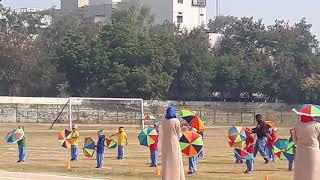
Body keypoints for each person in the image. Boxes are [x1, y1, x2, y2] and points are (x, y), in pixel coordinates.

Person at [161, 105, 185, 180]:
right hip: (174, 142)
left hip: (165, 142)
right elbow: (178, 133)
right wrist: (183, 130)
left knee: (166, 161)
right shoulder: (176, 121)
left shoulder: (163, 121)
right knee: (175, 160)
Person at [293, 115, 320, 180]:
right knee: (313, 170)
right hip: (313, 150)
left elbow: (294, 139)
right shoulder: (317, 125)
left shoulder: (297, 125)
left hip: (300, 150)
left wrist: (299, 143)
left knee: (300, 170)